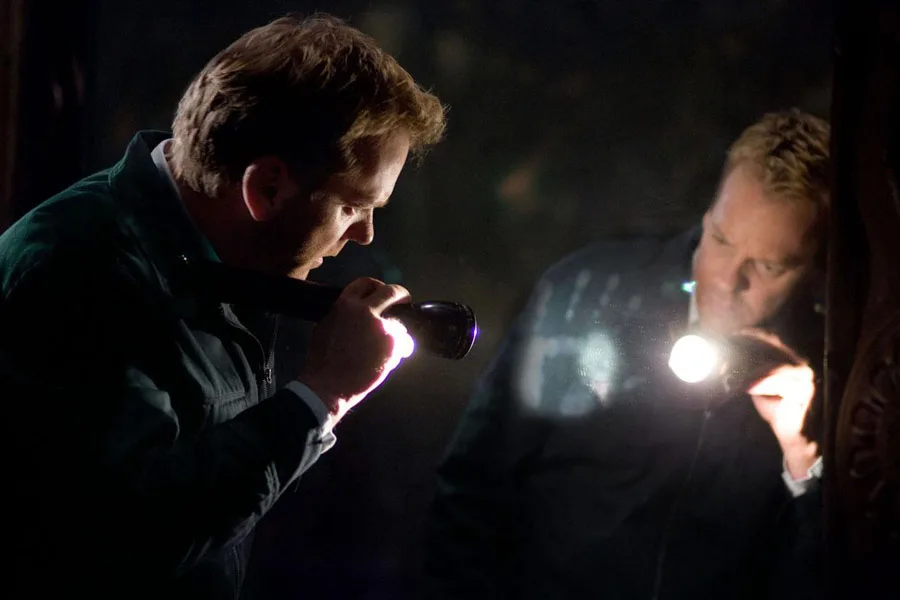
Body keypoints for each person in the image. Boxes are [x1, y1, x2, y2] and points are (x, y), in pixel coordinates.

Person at [0, 14, 446, 599]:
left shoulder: (213, 260)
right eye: (353, 206)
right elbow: (129, 536)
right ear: (266, 188)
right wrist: (323, 394)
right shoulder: (80, 271)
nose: (364, 235)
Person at [424, 109, 829, 600]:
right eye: (720, 240)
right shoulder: (588, 294)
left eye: (767, 266)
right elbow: (471, 488)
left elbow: (834, 575)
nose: (727, 280)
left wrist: (806, 465)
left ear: (816, 269)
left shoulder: (829, 372)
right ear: (708, 214)